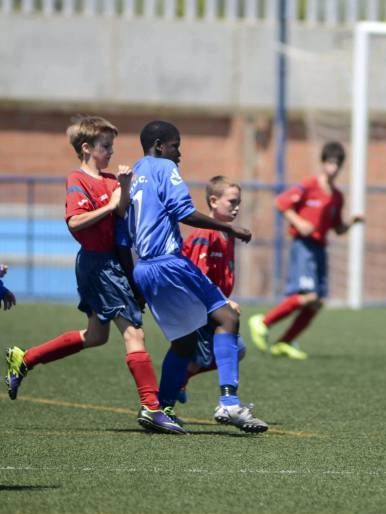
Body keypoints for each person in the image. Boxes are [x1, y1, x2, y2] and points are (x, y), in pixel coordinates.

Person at [4, 115, 183, 434]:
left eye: (112, 146)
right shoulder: (78, 178)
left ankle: (26, 358)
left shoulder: (112, 179)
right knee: (134, 333)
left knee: (96, 336)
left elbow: (121, 211)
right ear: (86, 148)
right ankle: (151, 407)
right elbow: (75, 222)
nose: (111, 152)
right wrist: (111, 204)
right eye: (105, 146)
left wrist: (124, 189)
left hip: (109, 263)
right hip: (97, 264)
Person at [126, 120, 266, 433]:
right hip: (168, 263)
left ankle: (160, 409)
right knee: (227, 318)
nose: (179, 153)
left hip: (144, 268)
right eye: (176, 145)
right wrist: (229, 227)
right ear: (161, 145)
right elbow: (184, 212)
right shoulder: (163, 168)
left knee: (184, 342)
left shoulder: (136, 173)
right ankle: (229, 404)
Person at [248, 141, 364, 360]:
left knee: (317, 302)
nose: (334, 168)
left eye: (338, 164)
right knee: (307, 296)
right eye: (330, 162)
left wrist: (353, 222)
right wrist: (299, 223)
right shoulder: (308, 185)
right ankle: (262, 322)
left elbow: (338, 229)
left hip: (320, 249)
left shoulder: (337, 197)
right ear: (322, 163)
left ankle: (285, 342)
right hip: (304, 246)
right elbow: (281, 202)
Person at [174, 176, 247, 406]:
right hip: (198, 308)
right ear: (214, 201)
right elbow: (197, 277)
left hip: (212, 308)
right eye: (232, 202)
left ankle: (175, 383)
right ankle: (167, 392)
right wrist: (225, 301)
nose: (236, 207)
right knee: (211, 352)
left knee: (236, 349)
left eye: (238, 202)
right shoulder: (204, 234)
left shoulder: (228, 235)